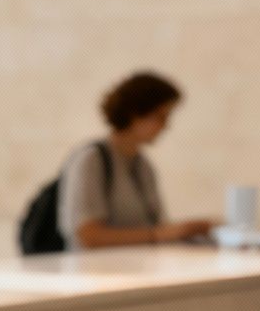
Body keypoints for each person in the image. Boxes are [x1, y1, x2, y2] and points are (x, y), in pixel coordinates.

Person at [58, 71, 215, 250]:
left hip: (138, 270)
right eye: (160, 116)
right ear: (135, 114)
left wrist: (186, 230)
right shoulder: (91, 160)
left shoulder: (143, 165)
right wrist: (162, 234)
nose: (165, 126)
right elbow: (88, 235)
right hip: (97, 273)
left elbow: (156, 225)